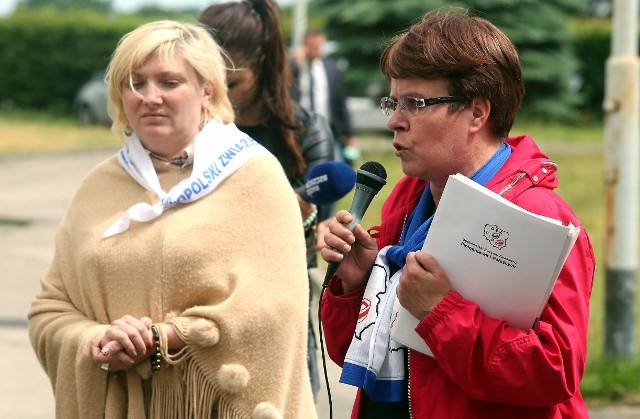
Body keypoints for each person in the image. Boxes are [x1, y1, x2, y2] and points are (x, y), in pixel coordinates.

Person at [28, 20, 316, 419]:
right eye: (136, 83)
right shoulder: (98, 185)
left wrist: (164, 339)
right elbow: (49, 309)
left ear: (206, 91)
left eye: (169, 82)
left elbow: (275, 308)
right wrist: (98, 341)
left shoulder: (255, 175)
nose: (150, 97)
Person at [320, 7, 595, 419]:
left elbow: (553, 371)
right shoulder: (406, 200)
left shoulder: (540, 218)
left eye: (414, 103)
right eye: (392, 102)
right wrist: (357, 285)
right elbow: (354, 354)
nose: (395, 121)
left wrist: (439, 312)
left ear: (477, 113)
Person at [198, 0, 335, 401]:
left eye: (232, 85)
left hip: (276, 311)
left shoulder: (306, 132)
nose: (219, 103)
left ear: (263, 60)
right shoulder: (188, 134)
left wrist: (300, 216)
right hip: (199, 311)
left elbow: (315, 231)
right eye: (207, 86)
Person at [291, 29, 360, 168]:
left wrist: (349, 134)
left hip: (328, 130)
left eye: (319, 45)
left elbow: (341, 103)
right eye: (312, 46)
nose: (316, 49)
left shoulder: (331, 68)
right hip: (300, 131)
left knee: (335, 168)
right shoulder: (295, 67)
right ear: (304, 46)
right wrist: (295, 64)